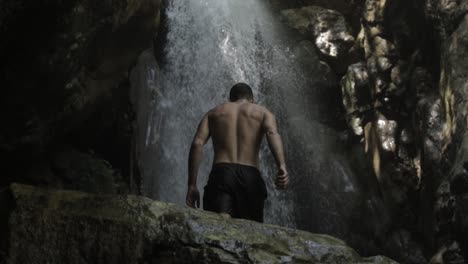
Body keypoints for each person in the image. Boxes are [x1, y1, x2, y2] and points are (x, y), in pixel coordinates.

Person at [185, 82, 289, 222]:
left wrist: (192, 184)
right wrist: (281, 166)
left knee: (218, 227)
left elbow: (197, 144)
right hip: (250, 176)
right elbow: (272, 133)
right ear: (252, 99)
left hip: (222, 174)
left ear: (230, 98)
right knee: (252, 232)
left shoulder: (214, 113)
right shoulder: (263, 112)